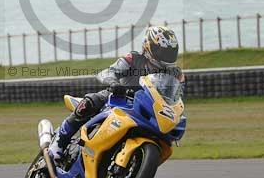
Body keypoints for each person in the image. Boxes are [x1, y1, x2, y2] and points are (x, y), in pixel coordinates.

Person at [47, 25, 184, 161]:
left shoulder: (176, 74)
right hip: (120, 98)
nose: (167, 56)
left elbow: (175, 99)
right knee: (90, 102)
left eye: (171, 52)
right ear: (149, 47)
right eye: (163, 51)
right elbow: (108, 72)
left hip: (148, 108)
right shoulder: (134, 58)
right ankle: (59, 140)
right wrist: (114, 83)